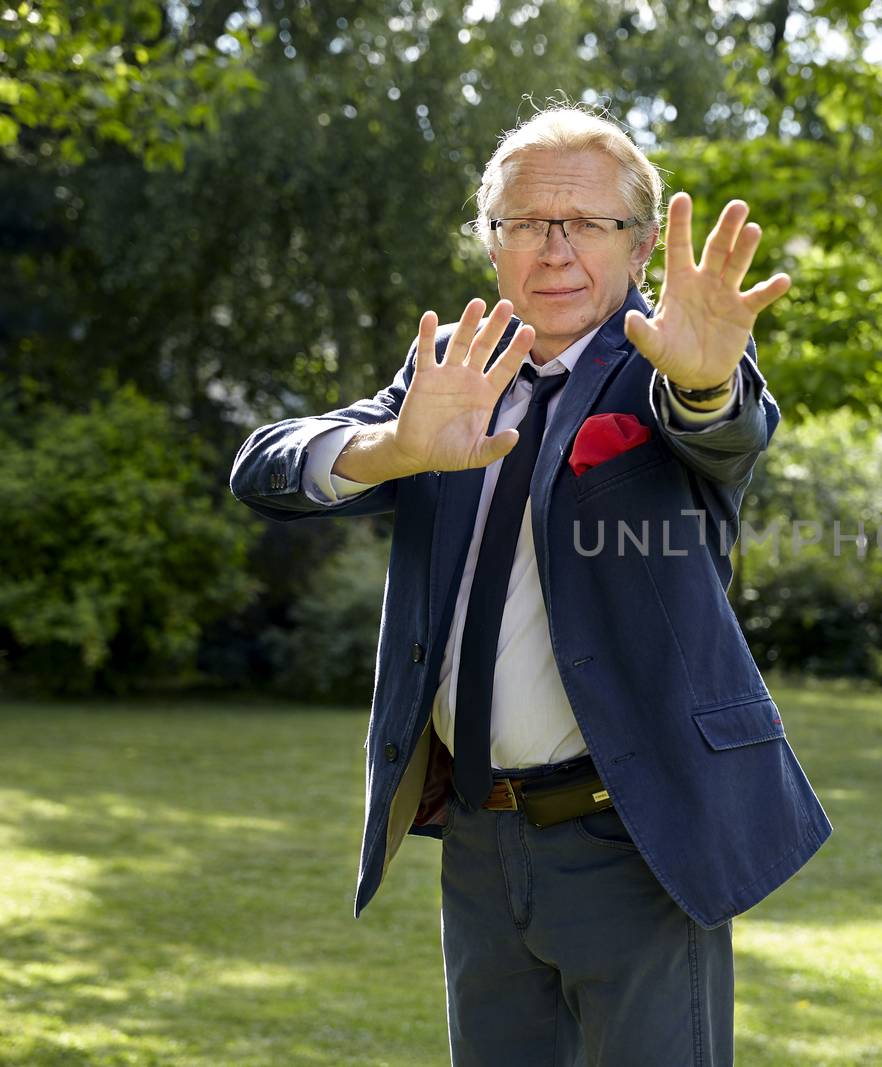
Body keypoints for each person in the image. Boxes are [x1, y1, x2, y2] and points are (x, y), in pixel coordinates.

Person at [229, 104, 832, 1066]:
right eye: (523, 223)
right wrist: (394, 448)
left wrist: (709, 385)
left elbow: (725, 429)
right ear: (493, 244)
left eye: (586, 223)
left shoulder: (670, 370)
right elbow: (264, 465)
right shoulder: (453, 373)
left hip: (635, 832)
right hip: (477, 836)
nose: (554, 249)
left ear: (638, 247)